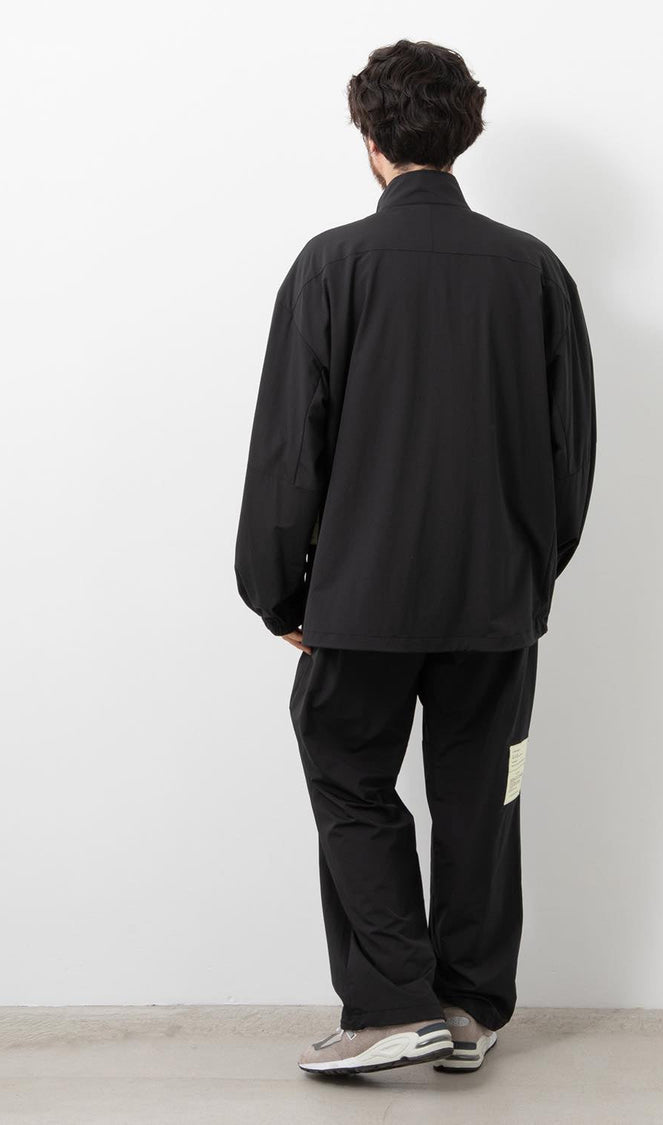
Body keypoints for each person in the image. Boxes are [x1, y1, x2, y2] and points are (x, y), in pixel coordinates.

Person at [234, 38, 597, 1077]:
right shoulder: (534, 271)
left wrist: (277, 593)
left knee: (350, 777)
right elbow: (572, 455)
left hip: (360, 599)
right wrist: (527, 575)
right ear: (464, 134)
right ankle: (468, 1008)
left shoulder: (332, 265)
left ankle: (395, 1004)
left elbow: (290, 450)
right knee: (485, 795)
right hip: (496, 601)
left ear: (369, 138)